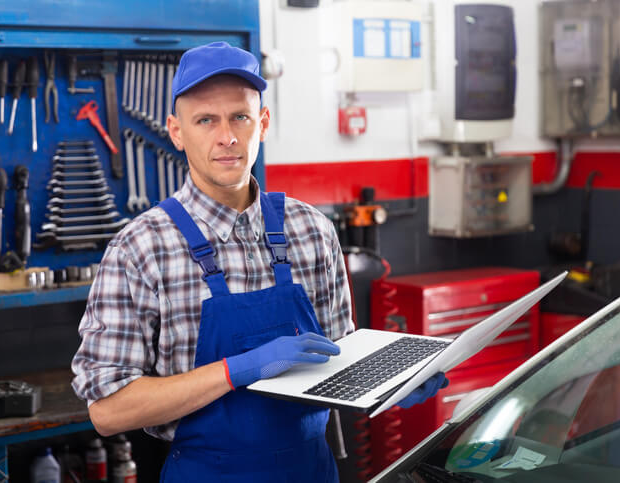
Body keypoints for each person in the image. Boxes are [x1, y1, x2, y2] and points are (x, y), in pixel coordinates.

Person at [71, 41, 447, 482]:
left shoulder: (312, 230)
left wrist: (389, 385)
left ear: (262, 123)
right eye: (205, 120)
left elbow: (340, 361)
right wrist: (236, 371)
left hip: (310, 470)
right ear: (176, 131)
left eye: (240, 117)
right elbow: (108, 411)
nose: (226, 136)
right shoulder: (140, 249)